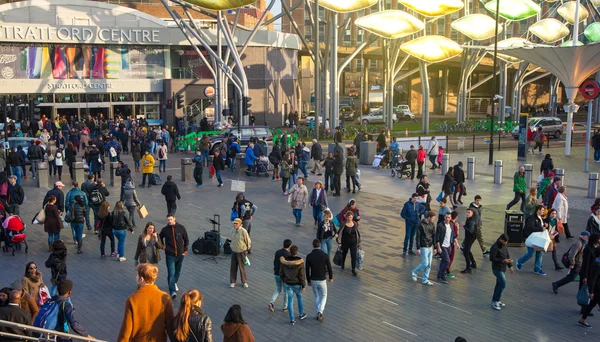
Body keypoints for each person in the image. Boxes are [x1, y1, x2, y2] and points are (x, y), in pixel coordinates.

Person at [117, 264, 174, 342]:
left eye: (136, 275)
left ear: (141, 279)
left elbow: (126, 329)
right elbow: (170, 326)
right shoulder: (165, 298)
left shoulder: (132, 300)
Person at [160, 215, 189, 299]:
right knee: (171, 272)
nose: (169, 221)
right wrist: (162, 246)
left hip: (180, 254)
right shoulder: (165, 230)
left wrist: (185, 250)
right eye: (168, 219)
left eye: (171, 219)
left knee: (177, 271)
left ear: (174, 219)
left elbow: (186, 239)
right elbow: (160, 237)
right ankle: (172, 291)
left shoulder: (181, 228)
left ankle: (174, 282)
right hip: (170, 255)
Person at [306, 239, 333, 323]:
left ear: (312, 245)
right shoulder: (325, 255)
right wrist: (331, 277)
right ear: (320, 245)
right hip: (322, 279)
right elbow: (329, 267)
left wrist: (308, 280)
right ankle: (320, 311)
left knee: (316, 296)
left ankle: (318, 311)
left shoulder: (309, 256)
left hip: (313, 279)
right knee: (324, 295)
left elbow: (307, 269)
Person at [279, 245, 307, 325]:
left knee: (290, 301)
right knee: (299, 297)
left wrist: (285, 280)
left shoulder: (285, 261)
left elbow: (281, 273)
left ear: (290, 252)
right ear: (297, 252)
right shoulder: (300, 262)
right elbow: (302, 275)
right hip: (297, 283)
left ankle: (292, 319)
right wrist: (303, 285)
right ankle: (301, 314)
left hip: (288, 283)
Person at [516, 205, 547, 275]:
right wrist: (541, 229)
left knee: (540, 253)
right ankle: (519, 261)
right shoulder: (532, 218)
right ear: (538, 210)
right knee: (531, 253)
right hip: (531, 238)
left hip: (538, 238)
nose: (543, 211)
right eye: (542, 210)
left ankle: (537, 269)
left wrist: (544, 226)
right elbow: (530, 228)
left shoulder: (541, 218)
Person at [489, 234, 514, 310]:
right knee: (503, 284)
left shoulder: (504, 245)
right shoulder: (495, 247)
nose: (505, 243)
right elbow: (492, 258)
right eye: (504, 241)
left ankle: (495, 300)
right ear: (501, 239)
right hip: (497, 268)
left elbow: (507, 255)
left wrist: (510, 266)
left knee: (499, 284)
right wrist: (503, 260)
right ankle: (496, 300)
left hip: (502, 268)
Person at [411, 211, 436, 285]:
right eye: (433, 218)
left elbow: (433, 235)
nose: (434, 219)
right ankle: (415, 272)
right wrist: (418, 248)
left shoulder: (432, 225)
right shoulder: (420, 225)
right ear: (429, 217)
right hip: (423, 246)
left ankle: (425, 279)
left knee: (429, 264)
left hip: (430, 246)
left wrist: (434, 246)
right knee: (425, 263)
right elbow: (418, 236)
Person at [578, 245, 600, 328]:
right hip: (597, 290)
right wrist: (591, 292)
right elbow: (593, 280)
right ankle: (582, 320)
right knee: (592, 304)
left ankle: (582, 320)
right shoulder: (597, 265)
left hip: (597, 290)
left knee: (591, 304)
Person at [269, 239, 291, 313]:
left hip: (276, 273)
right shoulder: (288, 255)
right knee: (286, 291)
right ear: (289, 246)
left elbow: (275, 261)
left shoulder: (277, 252)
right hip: (284, 276)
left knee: (278, 289)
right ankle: (285, 307)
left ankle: (271, 302)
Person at [337, 211, 361, 276]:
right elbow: (340, 233)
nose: (350, 218)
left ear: (352, 217)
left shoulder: (355, 223)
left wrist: (359, 242)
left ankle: (353, 269)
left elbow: (357, 233)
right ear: (346, 217)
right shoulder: (343, 224)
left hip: (354, 243)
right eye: (348, 217)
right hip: (345, 242)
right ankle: (342, 264)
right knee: (344, 254)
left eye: (351, 217)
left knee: (354, 256)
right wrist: (339, 242)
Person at [229, 218, 251, 288]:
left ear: (240, 224)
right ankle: (232, 282)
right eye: (234, 223)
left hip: (241, 252)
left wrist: (246, 250)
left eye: (236, 223)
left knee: (242, 268)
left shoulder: (243, 231)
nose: (235, 224)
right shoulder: (232, 230)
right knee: (233, 267)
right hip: (234, 251)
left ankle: (244, 282)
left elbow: (248, 241)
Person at [436, 212, 457, 284]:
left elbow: (453, 235)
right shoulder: (440, 225)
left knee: (443, 261)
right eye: (446, 217)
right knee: (447, 261)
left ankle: (439, 274)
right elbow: (437, 238)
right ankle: (442, 275)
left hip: (449, 246)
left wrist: (456, 243)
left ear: (451, 218)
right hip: (443, 246)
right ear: (444, 217)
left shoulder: (451, 225)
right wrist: (438, 247)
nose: (448, 219)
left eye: (449, 217)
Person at [461, 208, 477, 274]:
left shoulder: (471, 221)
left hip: (470, 237)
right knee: (467, 249)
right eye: (467, 212)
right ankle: (473, 263)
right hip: (469, 237)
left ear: (472, 214)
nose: (467, 213)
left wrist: (464, 226)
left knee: (465, 252)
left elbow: (470, 231)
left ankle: (468, 268)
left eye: (469, 212)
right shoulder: (468, 219)